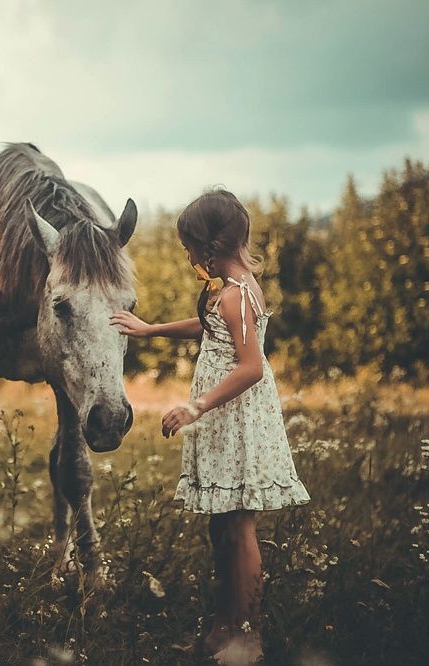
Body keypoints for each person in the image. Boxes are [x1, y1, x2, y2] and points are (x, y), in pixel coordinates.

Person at [110, 188, 311, 664]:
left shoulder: (239, 296)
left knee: (240, 529)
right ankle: (223, 628)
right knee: (220, 529)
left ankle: (249, 637)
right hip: (224, 420)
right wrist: (151, 329)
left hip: (235, 420)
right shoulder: (228, 294)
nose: (187, 257)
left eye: (189, 249)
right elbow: (209, 325)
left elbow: (251, 367)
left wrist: (195, 406)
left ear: (209, 248)